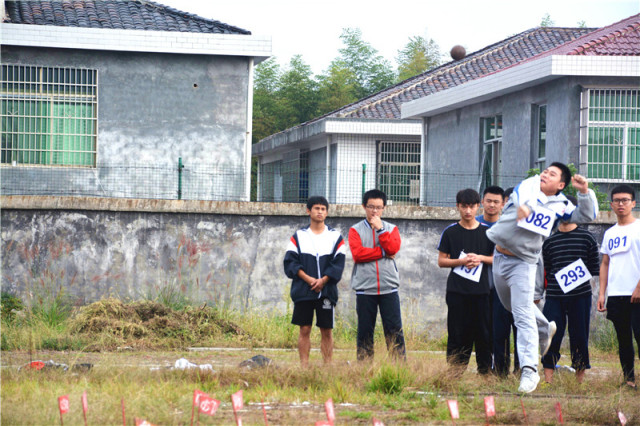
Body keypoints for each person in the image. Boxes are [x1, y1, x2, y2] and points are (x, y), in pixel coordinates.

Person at [486, 162, 599, 393]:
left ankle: (529, 371)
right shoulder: (530, 184)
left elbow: (588, 214)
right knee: (511, 306)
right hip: (499, 256)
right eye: (545, 171)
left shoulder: (562, 205)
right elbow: (521, 196)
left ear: (561, 184)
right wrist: (525, 207)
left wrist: (585, 192)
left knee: (522, 315)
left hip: (524, 263)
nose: (545, 175)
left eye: (552, 174)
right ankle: (545, 327)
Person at [536, 195, 600, 383]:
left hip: (580, 296)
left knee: (579, 335)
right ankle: (548, 379)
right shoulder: (548, 241)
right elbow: (546, 269)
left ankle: (579, 380)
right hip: (554, 296)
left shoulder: (587, 238)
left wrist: (573, 279)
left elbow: (593, 267)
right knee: (551, 334)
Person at [284, 196, 346, 367]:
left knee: (326, 330)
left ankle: (327, 366)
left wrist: (324, 280)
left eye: (323, 209)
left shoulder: (335, 237)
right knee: (304, 329)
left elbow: (338, 263)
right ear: (308, 211)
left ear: (327, 212)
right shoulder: (299, 236)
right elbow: (291, 262)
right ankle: (304, 366)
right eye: (316, 208)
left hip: (326, 291)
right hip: (304, 290)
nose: (320, 212)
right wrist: (310, 279)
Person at [438, 188, 494, 375]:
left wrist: (480, 258)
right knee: (456, 333)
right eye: (464, 207)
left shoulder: (488, 233)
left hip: (482, 291)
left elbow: (497, 258)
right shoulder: (450, 232)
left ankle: (485, 372)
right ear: (458, 207)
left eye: (471, 206)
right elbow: (442, 260)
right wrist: (461, 261)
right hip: (457, 291)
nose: (468, 211)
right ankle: (455, 371)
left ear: (478, 207)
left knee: (483, 334)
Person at [349, 189, 406, 361]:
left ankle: (398, 368)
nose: (375, 211)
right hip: (365, 289)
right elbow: (358, 254)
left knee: (394, 330)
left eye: (379, 207)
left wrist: (381, 230)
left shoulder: (391, 229)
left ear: (384, 208)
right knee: (365, 331)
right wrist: (381, 252)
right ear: (364, 207)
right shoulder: (355, 230)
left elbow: (393, 249)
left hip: (388, 288)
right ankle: (365, 367)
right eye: (371, 207)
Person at [597, 184, 640, 390]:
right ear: (612, 205)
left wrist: (639, 287)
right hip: (616, 294)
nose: (621, 204)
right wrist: (602, 293)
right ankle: (629, 379)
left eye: (625, 200)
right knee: (623, 340)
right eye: (617, 201)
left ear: (633, 203)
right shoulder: (610, 233)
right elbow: (605, 263)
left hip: (637, 293)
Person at [478, 186, 521, 377]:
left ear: (502, 204)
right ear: (482, 202)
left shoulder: (517, 227)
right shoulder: (476, 225)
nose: (492, 205)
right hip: (487, 287)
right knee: (496, 331)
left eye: (497, 202)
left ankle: (523, 370)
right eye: (489, 201)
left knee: (521, 329)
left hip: (516, 285)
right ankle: (499, 372)